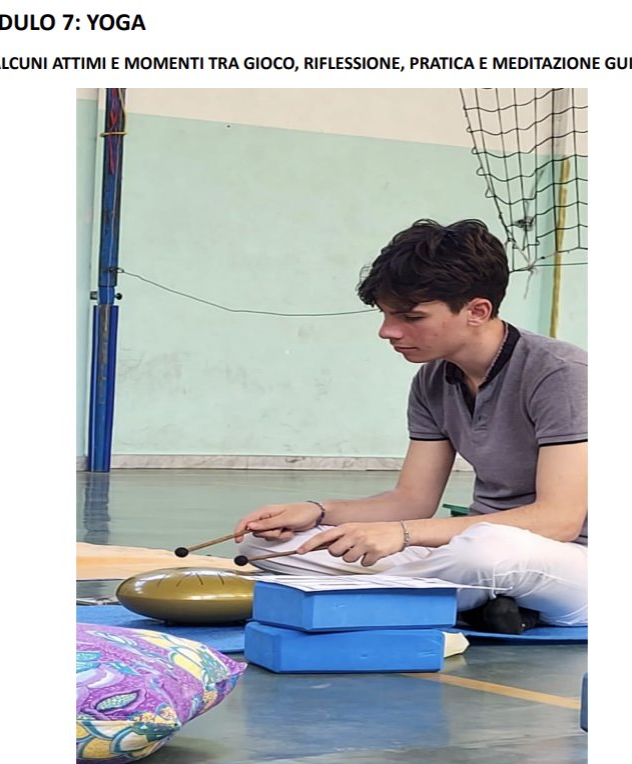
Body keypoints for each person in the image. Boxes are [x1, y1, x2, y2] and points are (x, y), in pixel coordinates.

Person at [234, 219, 587, 634]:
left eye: (411, 316)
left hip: (570, 560)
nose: (387, 331)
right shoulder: (433, 379)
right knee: (265, 545)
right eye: (386, 314)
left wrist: (403, 535)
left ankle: (395, 598)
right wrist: (318, 511)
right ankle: (458, 600)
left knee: (487, 553)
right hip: (465, 552)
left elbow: (559, 521)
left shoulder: (561, 374)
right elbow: (412, 500)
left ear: (477, 311)